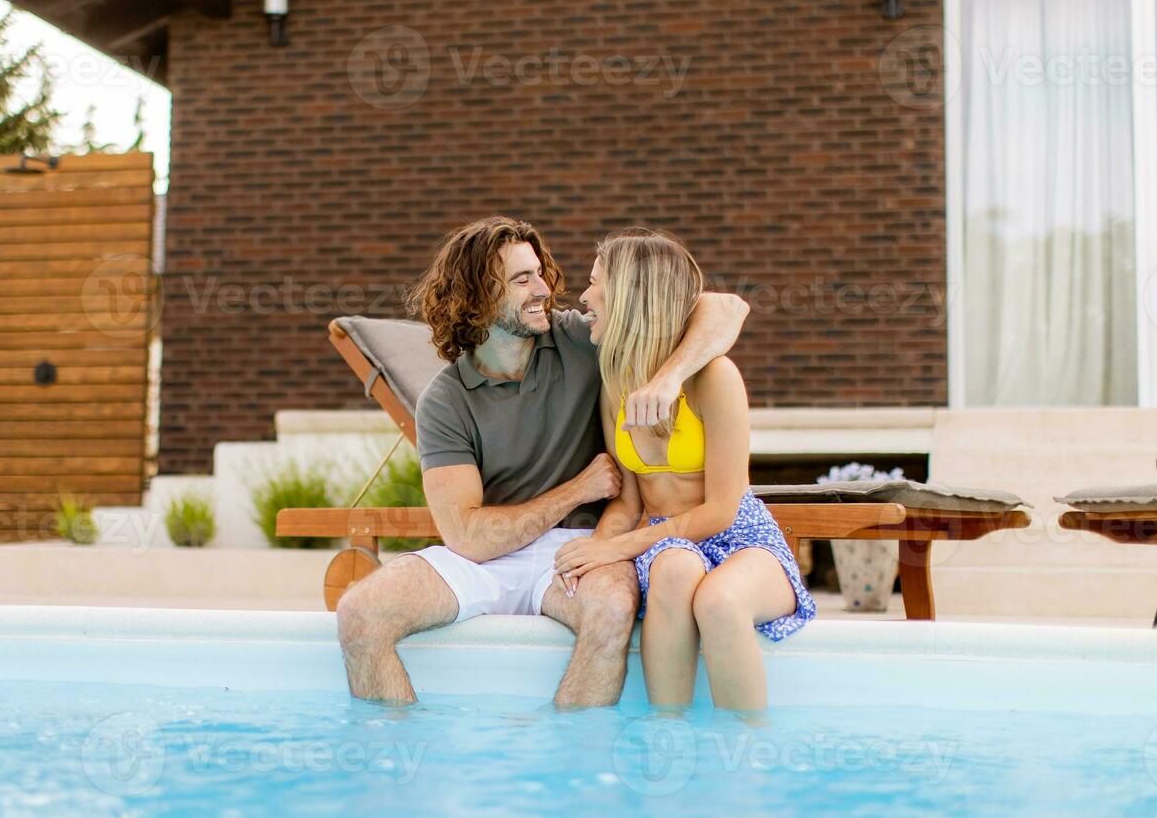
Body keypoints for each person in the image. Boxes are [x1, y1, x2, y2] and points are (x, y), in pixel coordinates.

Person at [336, 216, 750, 707]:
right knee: (359, 614)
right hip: (487, 560)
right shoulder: (444, 401)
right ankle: (405, 763)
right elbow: (467, 538)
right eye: (521, 279)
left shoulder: (581, 339)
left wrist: (669, 378)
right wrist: (579, 489)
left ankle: (567, 767)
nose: (545, 289)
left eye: (540, 272)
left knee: (611, 611)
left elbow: (725, 308)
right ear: (477, 298)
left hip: (579, 549)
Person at [553, 229, 815, 712]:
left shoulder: (714, 378)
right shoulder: (613, 385)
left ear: (632, 296)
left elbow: (720, 510)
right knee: (675, 568)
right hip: (663, 541)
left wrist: (620, 545)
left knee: (720, 601)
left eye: (595, 284)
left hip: (741, 538)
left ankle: (744, 759)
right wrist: (596, 549)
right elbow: (629, 501)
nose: (584, 297)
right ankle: (667, 741)